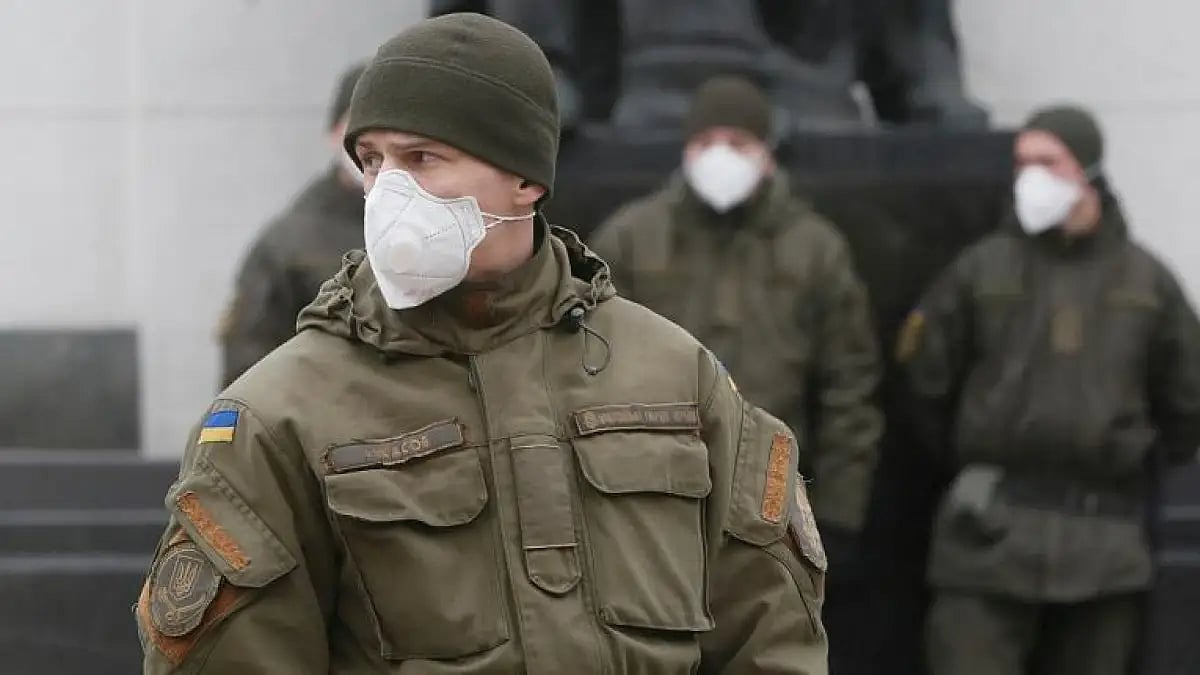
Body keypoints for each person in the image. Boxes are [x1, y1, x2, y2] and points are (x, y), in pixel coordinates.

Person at [135, 14, 829, 674]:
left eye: (423, 158)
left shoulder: (678, 377)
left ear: (525, 178)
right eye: (373, 161)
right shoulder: (277, 415)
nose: (387, 192)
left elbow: (770, 636)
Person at [899, 105, 1200, 675]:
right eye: (1021, 163)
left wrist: (1127, 460)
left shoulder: (1147, 284)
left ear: (1087, 170)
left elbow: (1187, 404)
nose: (1029, 177)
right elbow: (926, 386)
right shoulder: (980, 271)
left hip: (1103, 549)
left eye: (1047, 161)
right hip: (988, 542)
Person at [590, 74, 882, 561]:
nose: (719, 156)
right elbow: (584, 364)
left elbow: (850, 387)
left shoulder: (814, 249)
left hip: (773, 498)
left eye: (737, 143)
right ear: (684, 151)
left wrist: (839, 514)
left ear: (767, 153)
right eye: (705, 142)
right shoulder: (630, 239)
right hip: (649, 496)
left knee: (770, 633)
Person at [218, 62, 367, 387]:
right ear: (334, 134)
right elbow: (249, 374)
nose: (372, 148)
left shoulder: (441, 229)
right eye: (360, 127)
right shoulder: (287, 245)